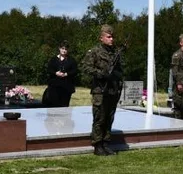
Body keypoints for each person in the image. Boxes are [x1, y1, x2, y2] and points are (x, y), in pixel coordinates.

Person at [81, 24, 123, 156]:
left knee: (109, 117)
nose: (112, 39)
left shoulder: (115, 53)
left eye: (112, 37)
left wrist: (116, 75)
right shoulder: (94, 52)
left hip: (112, 89)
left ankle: (106, 143)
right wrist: (101, 74)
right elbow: (86, 67)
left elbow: (121, 70)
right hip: (100, 89)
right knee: (99, 117)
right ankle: (97, 144)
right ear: (101, 38)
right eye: (109, 37)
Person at [43, 42, 78, 107]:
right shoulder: (53, 59)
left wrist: (66, 74)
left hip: (66, 87)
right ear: (59, 49)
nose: (64, 51)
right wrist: (56, 73)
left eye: (66, 49)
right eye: (62, 48)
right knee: (54, 106)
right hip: (54, 87)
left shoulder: (71, 60)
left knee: (64, 106)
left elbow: (75, 71)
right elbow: (49, 69)